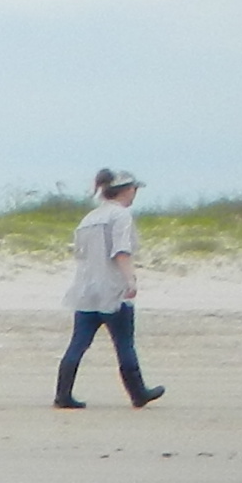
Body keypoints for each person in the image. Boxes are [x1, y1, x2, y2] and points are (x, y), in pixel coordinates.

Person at [56, 168, 165, 409]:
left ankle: (63, 394)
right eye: (134, 189)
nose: (135, 193)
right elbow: (121, 251)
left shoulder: (89, 218)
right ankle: (138, 393)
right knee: (124, 343)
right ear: (126, 190)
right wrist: (130, 280)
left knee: (78, 343)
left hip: (86, 289)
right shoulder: (120, 216)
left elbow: (80, 254)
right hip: (112, 289)